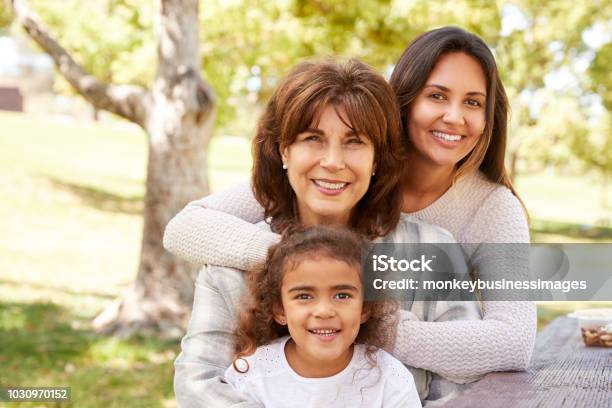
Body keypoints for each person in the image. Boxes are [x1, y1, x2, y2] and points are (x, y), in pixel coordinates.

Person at [172, 58, 479, 407]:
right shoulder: (227, 261)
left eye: (354, 141)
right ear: (284, 150)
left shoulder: (433, 251)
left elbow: (465, 387)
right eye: (312, 138)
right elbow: (198, 384)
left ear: (377, 159)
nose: (333, 161)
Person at [225, 225, 422, 407]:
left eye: (342, 295)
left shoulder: (390, 379)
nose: (324, 311)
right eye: (304, 296)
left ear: (364, 309)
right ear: (280, 310)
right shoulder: (251, 374)